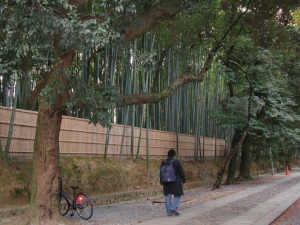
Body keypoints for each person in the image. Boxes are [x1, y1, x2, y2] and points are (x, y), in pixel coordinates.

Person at [160, 149, 186, 216]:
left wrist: (161, 182)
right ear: (174, 155)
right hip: (175, 182)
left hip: (165, 182)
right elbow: (181, 172)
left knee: (167, 196)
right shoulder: (177, 162)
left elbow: (161, 173)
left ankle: (169, 213)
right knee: (178, 195)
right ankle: (173, 207)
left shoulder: (164, 162)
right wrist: (183, 181)